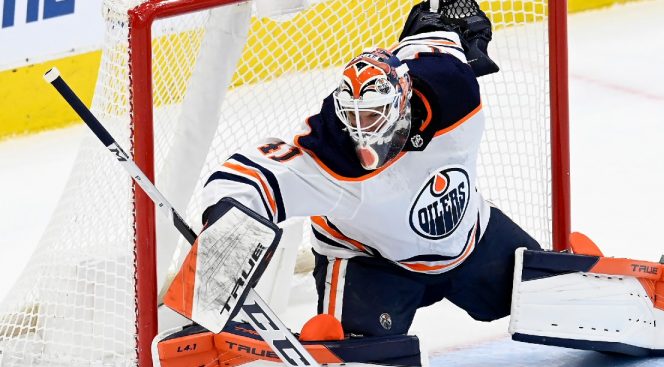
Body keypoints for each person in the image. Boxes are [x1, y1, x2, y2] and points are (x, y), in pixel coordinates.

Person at [198, 0, 541, 338]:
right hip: (373, 264)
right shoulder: (332, 154)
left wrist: (444, 13)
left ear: (402, 103)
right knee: (352, 350)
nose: (363, 132)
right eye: (354, 117)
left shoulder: (453, 89)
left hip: (471, 239)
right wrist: (228, 212)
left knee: (543, 291)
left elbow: (438, 32)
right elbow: (257, 176)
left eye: (374, 116)